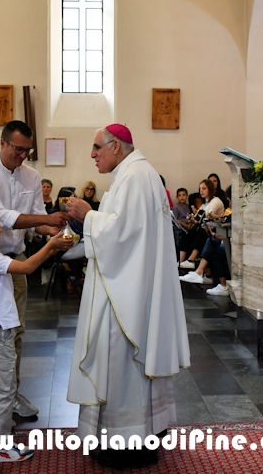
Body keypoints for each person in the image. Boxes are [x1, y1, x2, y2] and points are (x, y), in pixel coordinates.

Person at [65, 124, 190, 470]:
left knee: (121, 361)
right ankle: (137, 436)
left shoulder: (134, 176)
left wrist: (86, 215)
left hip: (126, 294)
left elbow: (120, 234)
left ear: (116, 146)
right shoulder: (137, 173)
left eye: (96, 148)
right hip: (133, 283)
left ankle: (125, 442)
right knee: (126, 365)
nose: (92, 155)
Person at [0, 120, 68, 418]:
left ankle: (9, 395)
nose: (23, 155)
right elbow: (1, 216)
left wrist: (53, 230)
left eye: (27, 150)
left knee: (15, 332)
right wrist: (46, 220)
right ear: (2, 143)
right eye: (18, 149)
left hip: (16, 256)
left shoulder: (32, 176)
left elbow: (36, 217)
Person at [0, 204, 71, 462]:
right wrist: (51, 246)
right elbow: (28, 267)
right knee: (4, 388)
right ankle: (1, 446)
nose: (1, 228)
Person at [178, 179, 224, 269]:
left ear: (210, 189)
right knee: (187, 233)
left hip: (215, 231)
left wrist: (197, 219)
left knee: (201, 233)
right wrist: (192, 219)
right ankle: (181, 262)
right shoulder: (205, 204)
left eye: (204, 188)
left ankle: (191, 260)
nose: (201, 191)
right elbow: (198, 219)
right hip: (206, 228)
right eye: (200, 189)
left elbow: (209, 216)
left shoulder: (216, 201)